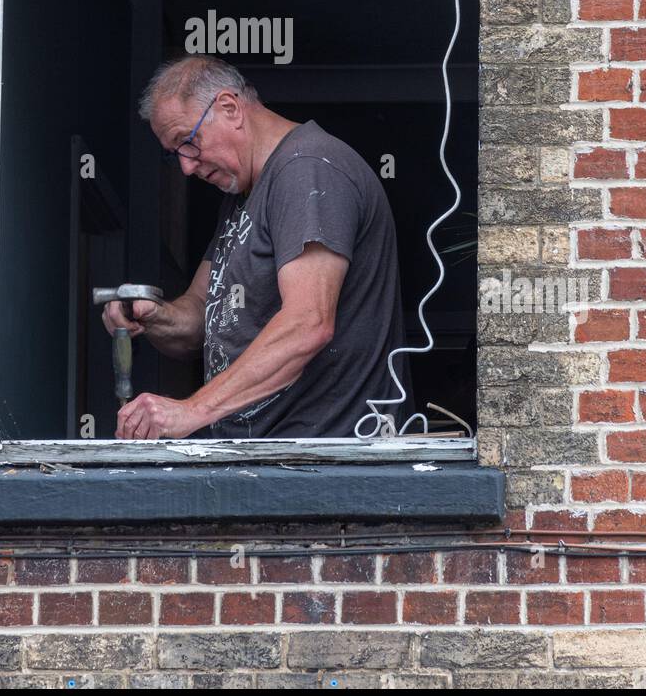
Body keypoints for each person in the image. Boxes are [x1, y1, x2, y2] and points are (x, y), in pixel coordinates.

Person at [102, 56, 414, 440]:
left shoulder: (307, 170)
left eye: (188, 142)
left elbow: (308, 323)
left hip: (325, 462)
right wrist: (153, 315)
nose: (186, 167)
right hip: (273, 461)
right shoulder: (242, 194)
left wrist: (190, 411)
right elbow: (202, 314)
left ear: (230, 108)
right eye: (175, 153)